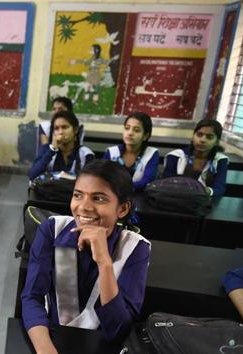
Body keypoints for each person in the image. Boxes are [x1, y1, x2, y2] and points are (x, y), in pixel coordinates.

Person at [22, 159, 151, 352]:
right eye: (78, 195)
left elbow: (118, 330)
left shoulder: (135, 248)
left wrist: (105, 263)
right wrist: (44, 348)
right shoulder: (52, 230)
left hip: (100, 344)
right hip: (51, 334)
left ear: (122, 209)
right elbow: (32, 296)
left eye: (98, 198)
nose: (84, 207)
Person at [163, 120, 229, 197]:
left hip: (204, 200)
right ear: (193, 136)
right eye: (199, 135)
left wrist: (205, 191)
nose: (202, 140)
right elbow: (167, 183)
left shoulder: (220, 160)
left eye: (209, 137)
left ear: (217, 142)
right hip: (176, 198)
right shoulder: (175, 156)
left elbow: (219, 188)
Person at [29, 111, 94, 180]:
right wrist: (52, 150)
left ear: (75, 130)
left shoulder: (85, 154)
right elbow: (33, 175)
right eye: (56, 128)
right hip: (51, 190)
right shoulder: (47, 149)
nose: (60, 132)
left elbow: (90, 181)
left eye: (65, 127)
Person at [103, 112, 158, 191]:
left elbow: (147, 181)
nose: (130, 133)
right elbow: (102, 177)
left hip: (138, 196)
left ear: (145, 136)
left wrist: (122, 188)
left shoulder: (151, 154)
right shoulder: (111, 152)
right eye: (127, 128)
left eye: (136, 130)